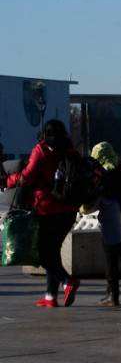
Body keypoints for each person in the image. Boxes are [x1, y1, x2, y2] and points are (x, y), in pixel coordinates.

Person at [4, 119, 82, 307]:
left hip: (48, 209)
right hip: (70, 210)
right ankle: (50, 296)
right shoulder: (72, 151)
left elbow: (28, 177)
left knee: (43, 253)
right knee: (52, 251)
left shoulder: (42, 150)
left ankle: (67, 281)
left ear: (45, 135)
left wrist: (10, 180)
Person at [83, 142, 121, 306]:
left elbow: (93, 198)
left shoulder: (103, 172)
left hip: (113, 219)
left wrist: (82, 208)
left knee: (110, 257)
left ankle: (112, 295)